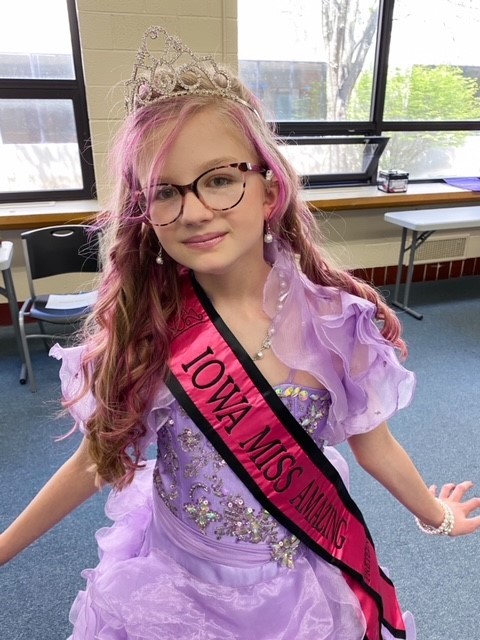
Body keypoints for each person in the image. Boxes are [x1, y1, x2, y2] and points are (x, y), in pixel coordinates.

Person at [1, 25, 479, 640]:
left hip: (294, 589)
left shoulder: (338, 325)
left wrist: (433, 514)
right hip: (173, 586)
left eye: (220, 179)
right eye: (165, 192)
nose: (194, 210)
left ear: (268, 187)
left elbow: (374, 445)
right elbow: (95, 462)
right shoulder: (147, 331)